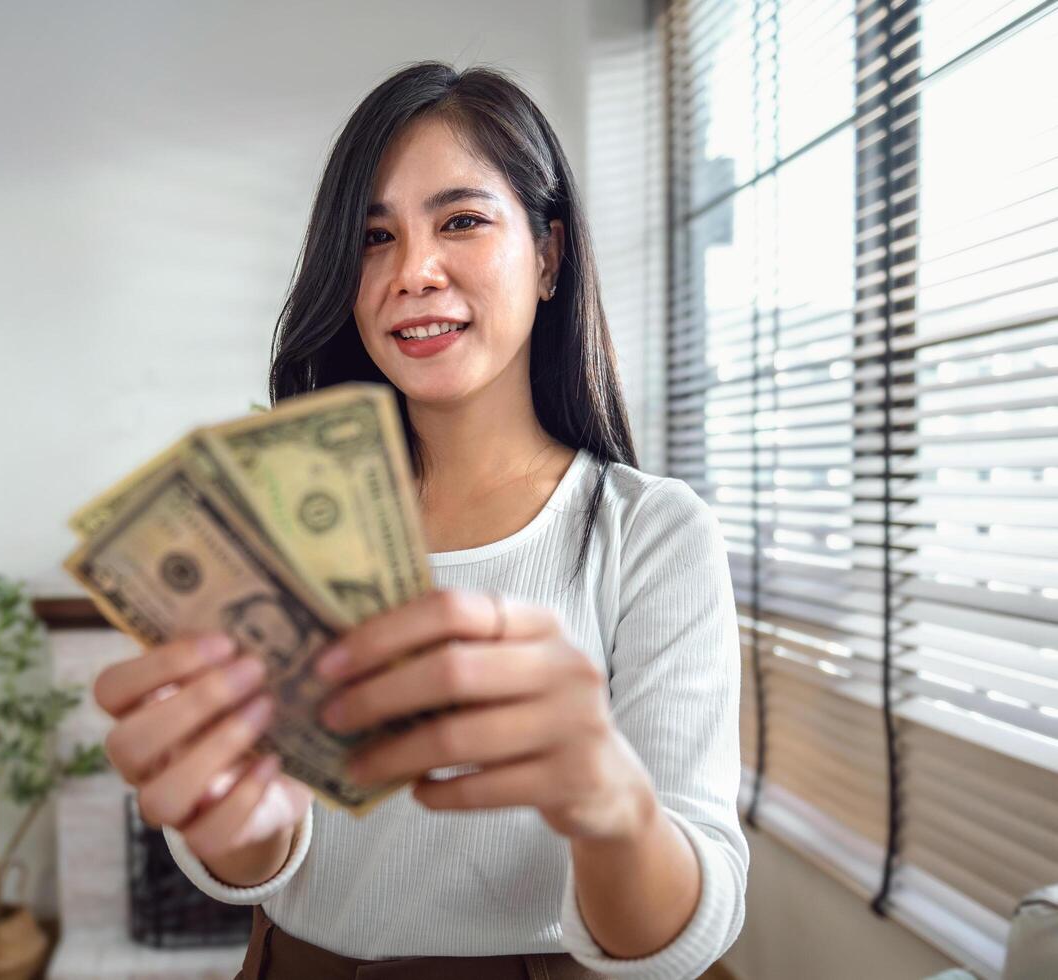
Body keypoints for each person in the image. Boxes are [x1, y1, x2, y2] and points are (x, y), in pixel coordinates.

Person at [92, 61, 748, 980]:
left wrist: (609, 799)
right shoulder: (280, 524)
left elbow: (686, 930)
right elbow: (254, 869)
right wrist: (239, 818)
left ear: (550, 254)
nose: (413, 272)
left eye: (463, 221)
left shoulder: (653, 534)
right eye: (373, 236)